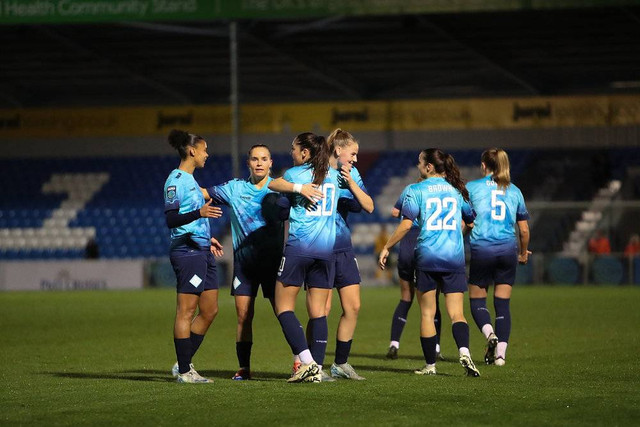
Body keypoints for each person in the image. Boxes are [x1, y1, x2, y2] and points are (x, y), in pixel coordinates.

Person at [378, 148, 480, 377]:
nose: (417, 166)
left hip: (427, 257)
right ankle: (464, 352)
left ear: (429, 167)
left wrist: (387, 247)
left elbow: (405, 225)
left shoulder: (415, 190)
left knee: (427, 313)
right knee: (457, 313)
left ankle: (430, 366)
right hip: (454, 258)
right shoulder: (457, 191)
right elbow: (471, 223)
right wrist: (456, 236)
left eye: (419, 162)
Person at [202, 144, 288, 381]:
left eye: (263, 159)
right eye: (254, 159)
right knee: (243, 316)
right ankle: (244, 367)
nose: (259, 163)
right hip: (245, 264)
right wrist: (182, 184)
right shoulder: (234, 188)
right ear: (248, 163)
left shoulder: (281, 189)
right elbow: (203, 194)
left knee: (283, 312)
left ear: (271, 163)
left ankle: (300, 361)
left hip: (273, 263)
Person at [268, 132, 339, 383]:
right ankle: (318, 370)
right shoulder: (333, 175)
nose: (292, 153)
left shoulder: (295, 174)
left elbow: (271, 183)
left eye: (294, 148)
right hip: (326, 251)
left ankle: (307, 362)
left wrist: (297, 188)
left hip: (300, 248)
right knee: (318, 312)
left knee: (283, 306)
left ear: (305, 153)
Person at [164, 129, 224, 383]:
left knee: (210, 310)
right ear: (192, 151)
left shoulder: (191, 181)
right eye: (204, 149)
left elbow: (190, 217)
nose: (207, 154)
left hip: (201, 249)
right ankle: (186, 371)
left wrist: (206, 236)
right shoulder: (176, 180)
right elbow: (171, 219)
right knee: (185, 312)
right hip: (187, 251)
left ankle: (183, 363)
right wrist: (199, 215)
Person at [466, 148, 530, 367]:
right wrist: (523, 253)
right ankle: (501, 355)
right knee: (502, 305)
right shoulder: (514, 191)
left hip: (482, 250)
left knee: (477, 301)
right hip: (507, 250)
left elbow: (465, 221)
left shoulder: (472, 188)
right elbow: (523, 230)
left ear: (484, 166)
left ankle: (489, 333)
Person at [322, 128, 374, 381]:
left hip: (343, 247)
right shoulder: (318, 172)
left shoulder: (351, 174)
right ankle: (310, 363)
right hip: (319, 247)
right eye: (352, 154)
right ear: (338, 150)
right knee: (322, 309)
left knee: (353, 306)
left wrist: (351, 182)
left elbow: (369, 205)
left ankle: (340, 364)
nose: (355, 159)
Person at [386, 179, 444, 361]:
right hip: (427, 242)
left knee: (405, 297)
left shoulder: (410, 189)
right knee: (432, 300)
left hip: (407, 243)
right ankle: (435, 346)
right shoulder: (442, 191)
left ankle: (394, 344)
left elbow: (395, 212)